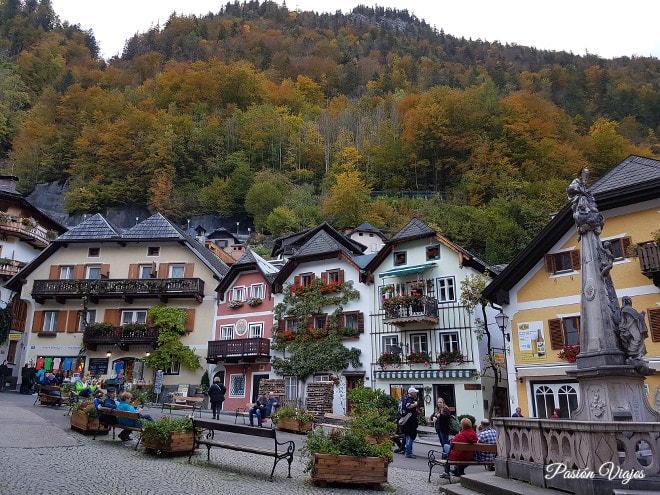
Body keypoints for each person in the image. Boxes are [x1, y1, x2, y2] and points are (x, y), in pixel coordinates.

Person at [400, 386, 420, 459]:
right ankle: (409, 453)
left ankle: (407, 452)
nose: (416, 393)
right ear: (412, 393)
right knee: (410, 436)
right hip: (410, 421)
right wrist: (415, 404)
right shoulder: (410, 398)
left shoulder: (404, 398)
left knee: (408, 436)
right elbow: (408, 406)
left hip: (406, 420)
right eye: (415, 392)